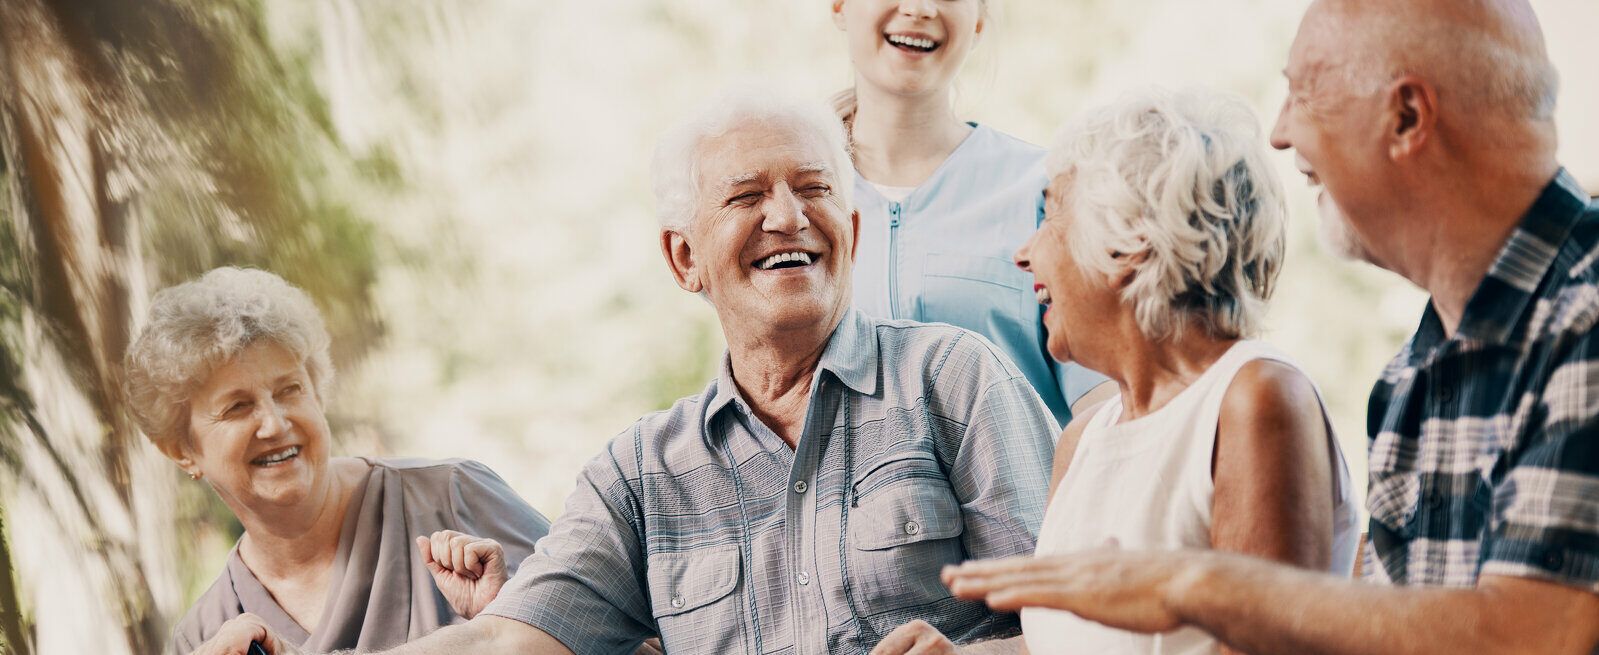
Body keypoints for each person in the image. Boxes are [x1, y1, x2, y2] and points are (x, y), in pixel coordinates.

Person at [205, 86, 1058, 655]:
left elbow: (1082, 627)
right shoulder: (640, 473)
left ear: (855, 233)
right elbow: (507, 639)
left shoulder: (953, 379)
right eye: (746, 196)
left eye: (812, 187)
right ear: (684, 259)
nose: (788, 216)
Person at [943, 1, 1599, 653]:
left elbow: (1539, 632)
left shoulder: (1584, 313)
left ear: (1405, 117)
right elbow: (1385, 628)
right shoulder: (1414, 375)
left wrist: (1193, 587)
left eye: (1305, 91)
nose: (1279, 133)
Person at [1009, 88, 1359, 655]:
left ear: (1128, 242)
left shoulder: (1255, 398)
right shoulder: (1083, 440)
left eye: (1049, 215)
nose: (1023, 254)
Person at [123, 267, 551, 654]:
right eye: (237, 406)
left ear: (318, 391)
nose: (274, 423)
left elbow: (600, 624)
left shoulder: (453, 494)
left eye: (289, 389)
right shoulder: (203, 636)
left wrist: (501, 623)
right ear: (182, 450)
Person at [830, 0, 1113, 428]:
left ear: (979, 21)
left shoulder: (1049, 191)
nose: (919, 8)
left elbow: (1106, 406)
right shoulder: (791, 201)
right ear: (839, 7)